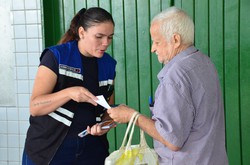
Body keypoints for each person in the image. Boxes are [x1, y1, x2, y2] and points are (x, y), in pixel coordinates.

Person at [107, 6, 228, 165]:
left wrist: (132, 116)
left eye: (156, 41)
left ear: (176, 40)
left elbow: (172, 140)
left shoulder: (175, 76)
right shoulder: (204, 62)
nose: (153, 49)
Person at [22, 7, 116, 165]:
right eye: (99, 37)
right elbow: (35, 106)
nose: (105, 43)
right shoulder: (55, 57)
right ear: (82, 32)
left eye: (110, 37)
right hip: (49, 150)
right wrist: (69, 93)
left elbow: (109, 110)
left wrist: (105, 125)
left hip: (91, 152)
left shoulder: (109, 64)